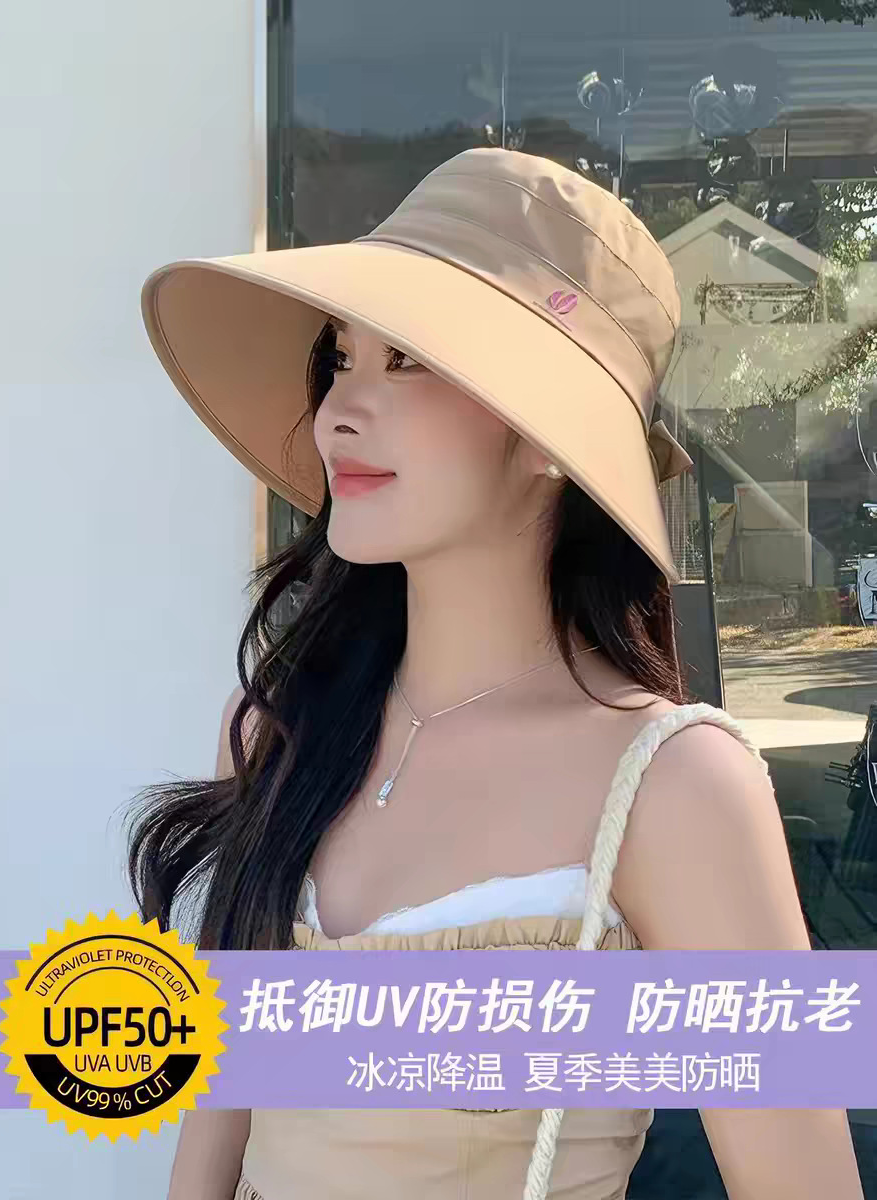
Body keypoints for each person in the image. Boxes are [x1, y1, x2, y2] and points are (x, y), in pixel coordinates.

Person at [127, 148, 864, 1199]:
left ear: (550, 433)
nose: (338, 414)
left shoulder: (674, 787)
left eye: (406, 361)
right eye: (340, 359)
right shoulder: (277, 729)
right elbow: (218, 1116)